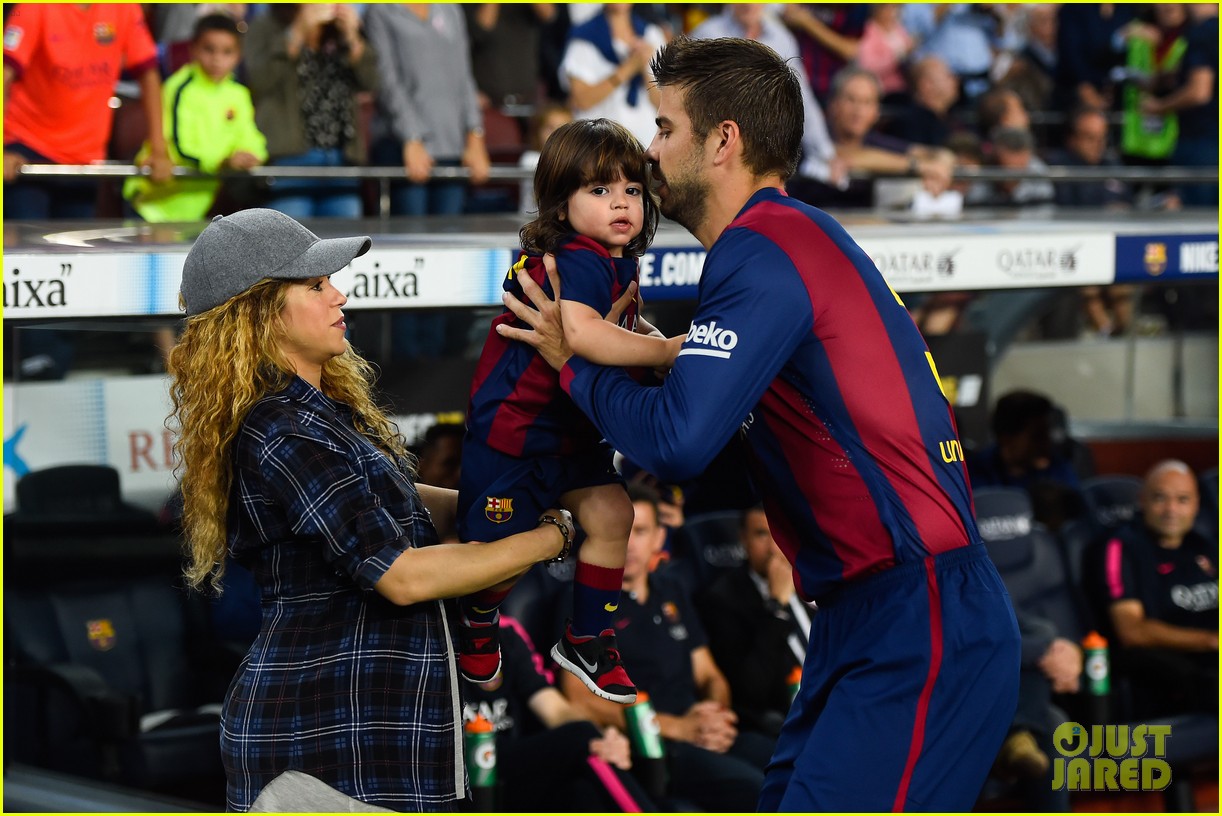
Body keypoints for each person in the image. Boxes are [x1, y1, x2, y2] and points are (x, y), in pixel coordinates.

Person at [501, 36, 1021, 812]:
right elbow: (739, 435)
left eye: (666, 128)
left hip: (919, 614)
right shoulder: (791, 239)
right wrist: (648, 363)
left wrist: (569, 364)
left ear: (723, 141)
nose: (650, 149)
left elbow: (676, 443)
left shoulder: (761, 249)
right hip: (879, 613)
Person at [165, 207, 576, 811]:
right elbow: (404, 577)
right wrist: (554, 537)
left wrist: (513, 508)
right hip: (317, 754)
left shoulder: (318, 411)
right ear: (257, 313)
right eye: (314, 285)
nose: (340, 292)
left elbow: (408, 509)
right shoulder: (282, 429)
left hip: (368, 746)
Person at [456, 118, 680, 703]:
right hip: (516, 437)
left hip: (571, 434)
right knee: (498, 562)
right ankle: (477, 618)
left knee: (612, 515)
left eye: (631, 189)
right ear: (560, 205)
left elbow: (621, 325)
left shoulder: (615, 257)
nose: (621, 204)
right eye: (599, 191)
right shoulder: (577, 256)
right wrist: (667, 352)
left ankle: (588, 639)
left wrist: (657, 342)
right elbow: (582, 336)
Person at [558, 483, 772, 813]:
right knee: (759, 790)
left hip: (701, 733)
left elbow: (710, 674)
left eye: (640, 531)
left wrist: (712, 720)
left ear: (659, 538)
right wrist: (676, 727)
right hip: (653, 747)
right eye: (621, 532)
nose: (628, 545)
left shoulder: (671, 589)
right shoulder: (580, 601)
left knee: (793, 762)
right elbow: (577, 697)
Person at [461, 616, 658, 812]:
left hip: (510, 769)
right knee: (580, 735)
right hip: (456, 768)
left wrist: (603, 739)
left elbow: (555, 709)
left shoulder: (505, 631)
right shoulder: (432, 639)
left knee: (583, 791)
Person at [3, 3, 173, 219]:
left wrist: (158, 149)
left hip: (85, 160)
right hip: (26, 150)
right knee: (24, 248)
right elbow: (4, 73)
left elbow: (148, 75)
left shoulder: (124, 8)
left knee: (77, 250)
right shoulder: (34, 7)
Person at [1086, 460, 1218, 720]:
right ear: (1142, 500)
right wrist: (1211, 641)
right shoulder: (1120, 546)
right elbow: (1132, 632)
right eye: (1160, 498)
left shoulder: (1202, 544)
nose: (1172, 509)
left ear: (1196, 504)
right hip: (1169, 666)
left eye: (1182, 500)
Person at [123, 13, 268, 223]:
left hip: (195, 208)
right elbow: (180, 146)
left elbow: (248, 135)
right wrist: (223, 162)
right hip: (152, 203)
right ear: (193, 49)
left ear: (238, 55)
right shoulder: (179, 87)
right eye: (209, 49)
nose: (217, 59)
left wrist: (254, 154)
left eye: (227, 51)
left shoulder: (239, 94)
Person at [244, 3, 378, 219]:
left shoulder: (339, 29)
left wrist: (353, 37)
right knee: (289, 242)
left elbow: (371, 82)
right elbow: (259, 80)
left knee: (343, 243)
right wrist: (297, 31)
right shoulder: (266, 25)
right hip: (290, 157)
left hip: (341, 157)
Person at [365, 3, 490, 216]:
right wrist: (411, 137)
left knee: (451, 238)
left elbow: (464, 77)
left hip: (452, 145)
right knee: (411, 239)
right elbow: (387, 82)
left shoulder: (450, 10)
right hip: (402, 148)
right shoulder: (380, 11)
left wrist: (475, 134)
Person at [696, 505, 809, 738]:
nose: (773, 548)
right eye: (761, 534)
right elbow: (751, 690)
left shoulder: (812, 581)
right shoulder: (722, 600)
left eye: (779, 533)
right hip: (783, 718)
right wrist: (776, 606)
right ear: (743, 540)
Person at [559, 3, 667, 150]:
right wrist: (627, 68)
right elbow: (582, 100)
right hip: (598, 143)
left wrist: (644, 67)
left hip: (645, 138)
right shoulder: (584, 36)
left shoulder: (651, 34)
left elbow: (663, 102)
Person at [1043, 106, 1132, 209]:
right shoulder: (1057, 167)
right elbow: (1068, 206)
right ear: (1072, 139)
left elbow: (1129, 203)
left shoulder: (1112, 165)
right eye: (1090, 138)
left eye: (1102, 138)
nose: (1098, 145)